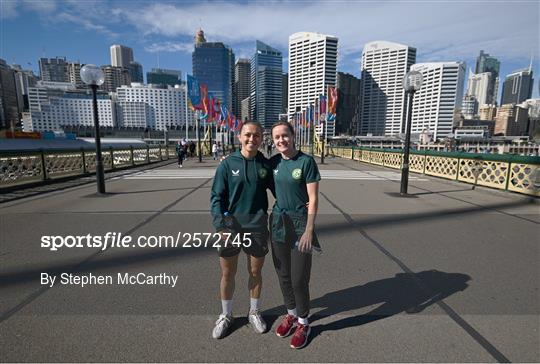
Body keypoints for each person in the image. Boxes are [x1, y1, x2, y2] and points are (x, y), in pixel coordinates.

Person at [210, 121, 274, 339]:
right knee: (228, 272)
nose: (252, 139)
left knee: (255, 272)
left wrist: (302, 202)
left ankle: (253, 311)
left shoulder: (265, 165)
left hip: (256, 226)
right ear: (239, 137)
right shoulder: (227, 165)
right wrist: (220, 225)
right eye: (247, 135)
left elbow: (281, 188)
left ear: (261, 138)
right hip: (230, 227)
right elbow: (216, 198)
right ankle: (226, 314)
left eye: (257, 135)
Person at [269, 121, 321, 349]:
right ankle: (291, 314)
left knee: (299, 278)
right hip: (278, 223)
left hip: (300, 225)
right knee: (283, 275)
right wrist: (227, 162)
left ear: (293, 135)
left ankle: (304, 322)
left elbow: (314, 198)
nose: (281, 140)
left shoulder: (306, 161)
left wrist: (309, 229)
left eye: (285, 135)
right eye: (277, 137)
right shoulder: (273, 162)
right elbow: (249, 168)